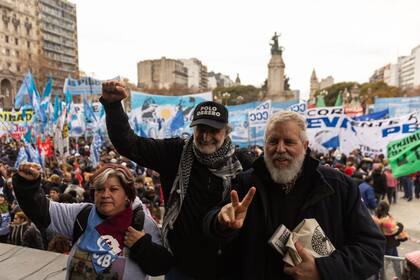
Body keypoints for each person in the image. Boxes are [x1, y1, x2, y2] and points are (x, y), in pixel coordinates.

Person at [204, 111, 385, 279]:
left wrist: (323, 269)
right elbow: (212, 226)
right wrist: (221, 222)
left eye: (289, 142)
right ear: (265, 145)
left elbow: (372, 249)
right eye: (273, 141)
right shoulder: (246, 183)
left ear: (305, 146)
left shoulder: (338, 186)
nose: (280, 149)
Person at [101, 81, 243, 279]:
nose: (205, 136)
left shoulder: (242, 164)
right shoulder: (175, 152)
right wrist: (114, 106)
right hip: (180, 266)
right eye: (200, 129)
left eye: (213, 130)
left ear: (227, 131)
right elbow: (130, 145)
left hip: (223, 267)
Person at [13, 162, 172, 279]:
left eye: (114, 189)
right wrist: (27, 184)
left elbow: (162, 265)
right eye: (100, 189)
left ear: (127, 196)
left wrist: (142, 245)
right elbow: (41, 211)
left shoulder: (141, 222)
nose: (105, 194)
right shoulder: (82, 214)